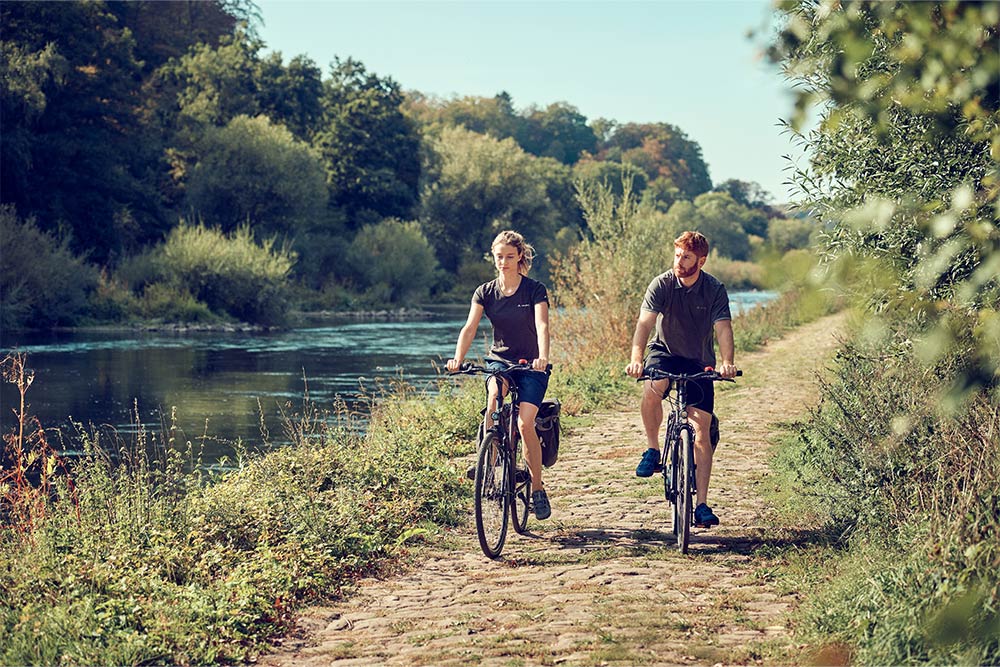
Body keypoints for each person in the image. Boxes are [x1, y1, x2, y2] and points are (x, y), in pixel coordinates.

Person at [624, 231, 738, 528]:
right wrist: (637, 359)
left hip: (699, 359)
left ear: (701, 260)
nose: (679, 261)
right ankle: (652, 448)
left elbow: (723, 328)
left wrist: (727, 363)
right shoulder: (662, 283)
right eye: (677, 255)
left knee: (702, 429)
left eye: (686, 257)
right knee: (653, 387)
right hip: (665, 351)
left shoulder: (713, 288)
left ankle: (701, 504)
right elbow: (644, 324)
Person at [446, 230, 553, 520]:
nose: (503, 262)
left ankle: (537, 488)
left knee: (525, 423)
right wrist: (458, 358)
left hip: (532, 366)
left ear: (520, 257)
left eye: (509, 256)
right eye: (499, 257)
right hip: (500, 361)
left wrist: (542, 357)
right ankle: (490, 461)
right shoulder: (485, 291)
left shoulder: (534, 289)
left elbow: (542, 325)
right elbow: (469, 327)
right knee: (494, 397)